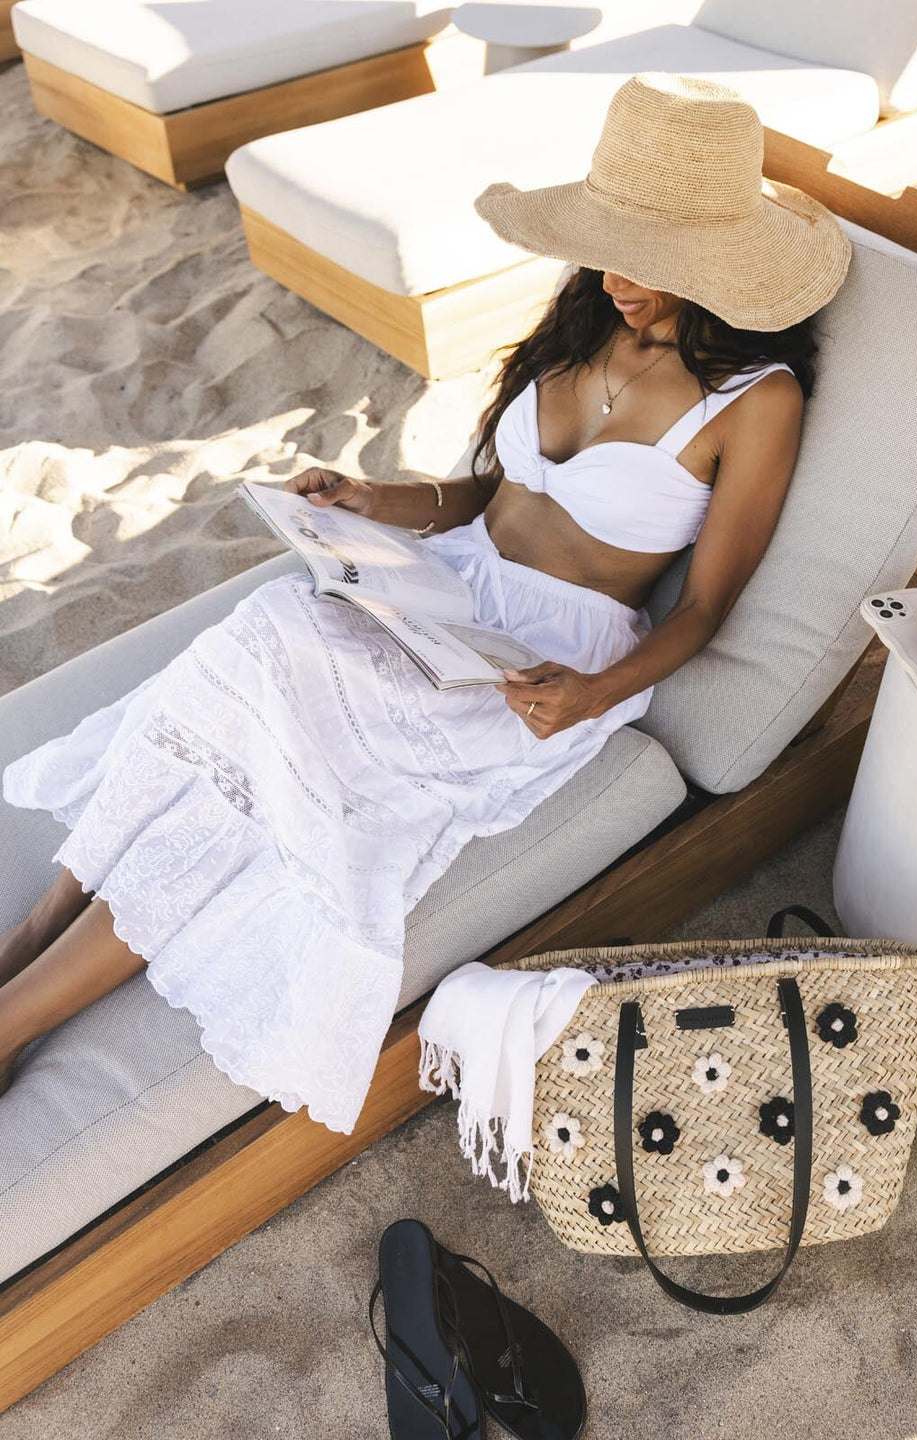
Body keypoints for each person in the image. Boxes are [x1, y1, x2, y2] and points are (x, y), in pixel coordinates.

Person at [0, 75, 850, 1133]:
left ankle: (13, 1017)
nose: (618, 277)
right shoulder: (587, 313)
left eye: (648, 259)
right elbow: (492, 490)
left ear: (712, 261)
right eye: (607, 244)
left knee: (283, 777)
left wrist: (593, 695)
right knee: (259, 639)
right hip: (443, 582)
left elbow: (707, 607)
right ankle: (36, 930)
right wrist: (374, 499)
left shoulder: (757, 400)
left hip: (547, 655)